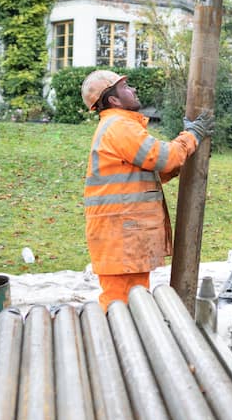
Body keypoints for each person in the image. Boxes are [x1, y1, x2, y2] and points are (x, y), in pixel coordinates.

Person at [80, 70, 213, 309]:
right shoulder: (118, 127)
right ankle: (114, 344)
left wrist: (184, 152)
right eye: (126, 87)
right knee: (119, 306)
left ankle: (125, 344)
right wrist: (191, 136)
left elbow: (156, 169)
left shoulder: (119, 127)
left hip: (123, 235)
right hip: (121, 236)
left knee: (133, 302)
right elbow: (163, 158)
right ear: (114, 100)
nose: (133, 90)